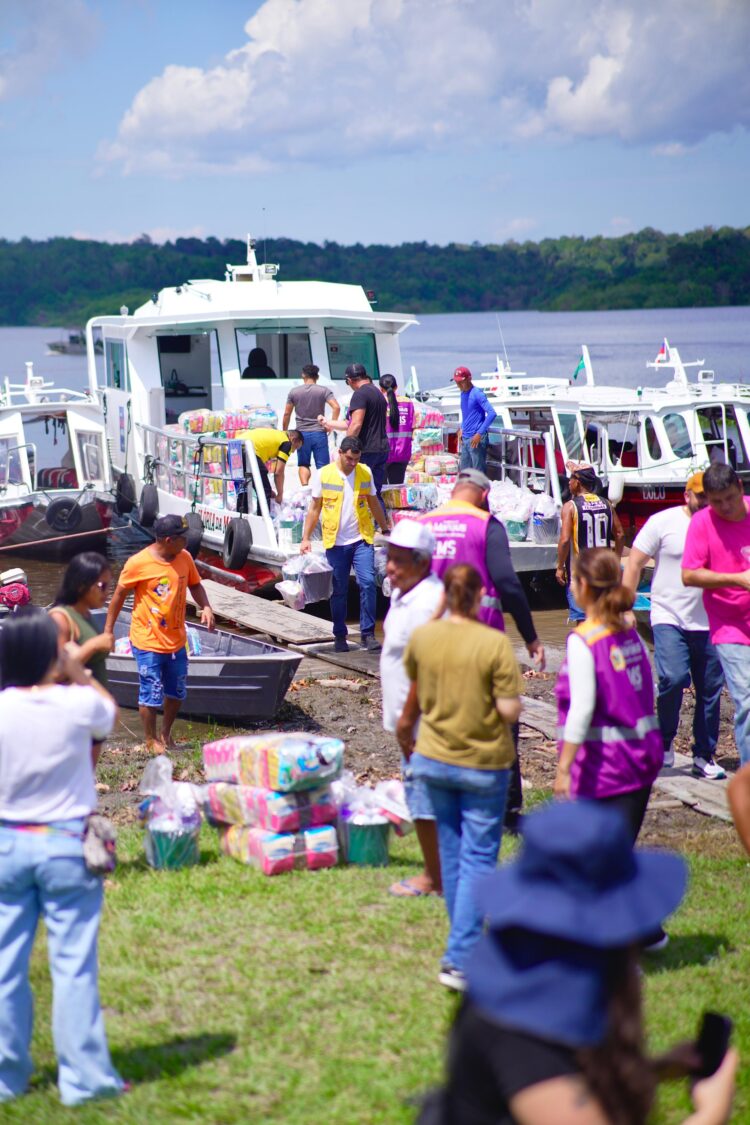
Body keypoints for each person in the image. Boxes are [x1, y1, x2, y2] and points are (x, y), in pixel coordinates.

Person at [422, 799, 738, 1125]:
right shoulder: (524, 1036)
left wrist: (652, 1070)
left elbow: (556, 1086)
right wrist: (712, 1113)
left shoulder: (523, 972)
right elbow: (544, 1076)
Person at [0, 609, 125, 1105]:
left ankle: (7, 1078)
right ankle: (85, 1080)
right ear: (49, 654)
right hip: (66, 844)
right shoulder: (75, 705)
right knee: (72, 964)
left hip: (8, 843)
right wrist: (75, 668)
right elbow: (110, 714)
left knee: (7, 965)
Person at [397, 564, 523, 991]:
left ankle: (462, 947)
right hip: (484, 763)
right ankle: (461, 957)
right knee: (478, 861)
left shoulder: (423, 638)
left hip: (433, 759)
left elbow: (415, 686)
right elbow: (509, 711)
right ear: (479, 597)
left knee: (452, 859)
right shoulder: (493, 642)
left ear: (445, 595)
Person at [420, 467, 545, 831]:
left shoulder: (424, 523)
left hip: (434, 638)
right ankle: (506, 808)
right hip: (481, 640)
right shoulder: (486, 525)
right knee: (500, 723)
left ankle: (447, 803)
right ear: (485, 494)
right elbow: (506, 581)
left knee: (443, 720)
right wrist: (530, 636)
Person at [555, 548, 665, 952]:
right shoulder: (628, 630)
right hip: (642, 757)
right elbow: (646, 688)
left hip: (607, 766)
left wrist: (564, 767)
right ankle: (647, 929)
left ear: (583, 586)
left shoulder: (585, 639)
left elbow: (581, 708)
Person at [622, 471, 726, 779]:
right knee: (672, 677)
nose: (706, 502)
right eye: (701, 496)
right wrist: (625, 607)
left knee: (711, 689)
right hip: (668, 616)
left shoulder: (723, 523)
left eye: (710, 497)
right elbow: (635, 562)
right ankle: (665, 741)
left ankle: (704, 755)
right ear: (687, 495)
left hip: (710, 621)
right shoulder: (662, 522)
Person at [103, 514, 215, 751]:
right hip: (147, 640)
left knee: (177, 691)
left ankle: (165, 734)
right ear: (167, 540)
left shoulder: (184, 557)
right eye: (183, 538)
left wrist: (205, 606)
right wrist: (108, 631)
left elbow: (195, 585)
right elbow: (118, 597)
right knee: (151, 691)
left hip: (176, 640)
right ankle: (150, 739)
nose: (187, 543)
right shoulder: (137, 563)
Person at [378, 519, 444, 897]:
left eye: (399, 560)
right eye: (389, 557)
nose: (390, 566)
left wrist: (407, 719)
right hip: (408, 720)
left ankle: (434, 879)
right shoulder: (405, 593)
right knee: (422, 796)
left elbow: (430, 665)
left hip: (422, 722)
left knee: (424, 801)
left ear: (422, 562)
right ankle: (439, 871)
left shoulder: (429, 603)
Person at [682, 462, 750, 767]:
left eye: (730, 498)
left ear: (740, 487)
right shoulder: (702, 523)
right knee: (747, 700)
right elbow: (689, 575)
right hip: (729, 624)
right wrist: (736, 579)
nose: (724, 507)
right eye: (716, 501)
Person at [300, 436, 389, 653]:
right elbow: (314, 508)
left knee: (367, 583)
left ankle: (367, 634)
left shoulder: (364, 472)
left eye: (356, 459)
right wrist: (305, 538)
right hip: (335, 542)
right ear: (340, 452)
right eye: (349, 458)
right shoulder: (324, 474)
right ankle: (340, 635)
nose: (352, 463)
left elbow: (373, 501)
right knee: (338, 589)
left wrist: (385, 528)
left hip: (362, 539)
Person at [556, 465, 625, 623]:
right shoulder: (607, 503)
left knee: (583, 621)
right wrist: (616, 559)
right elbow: (620, 534)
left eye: (571, 479)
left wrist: (560, 566)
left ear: (578, 483)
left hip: (581, 572)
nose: (568, 483)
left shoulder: (570, 507)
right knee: (603, 618)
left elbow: (565, 540)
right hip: (603, 570)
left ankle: (584, 647)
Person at [321, 364, 389, 513]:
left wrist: (346, 448)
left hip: (366, 450)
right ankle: (381, 527)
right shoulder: (378, 393)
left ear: (349, 380)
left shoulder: (360, 394)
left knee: (357, 492)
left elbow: (356, 424)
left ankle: (360, 528)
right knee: (375, 492)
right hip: (382, 448)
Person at [49, 552, 114, 688]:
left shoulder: (86, 614)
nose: (107, 592)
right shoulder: (60, 618)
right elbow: (55, 673)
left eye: (109, 585)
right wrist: (93, 645)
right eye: (102, 586)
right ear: (81, 585)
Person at [281, 365, 340, 486]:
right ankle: (324, 492)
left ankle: (305, 488)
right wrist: (331, 424)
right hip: (319, 433)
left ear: (303, 375)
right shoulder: (324, 390)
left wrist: (285, 432)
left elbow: (287, 413)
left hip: (301, 434)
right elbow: (336, 407)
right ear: (317, 376)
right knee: (323, 466)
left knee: (303, 463)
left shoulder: (294, 392)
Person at [238, 427, 303, 508]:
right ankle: (262, 519)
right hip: (248, 451)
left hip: (233, 448)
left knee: (244, 488)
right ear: (293, 439)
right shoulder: (286, 442)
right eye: (295, 448)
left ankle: (241, 516)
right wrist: (280, 494)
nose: (293, 452)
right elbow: (279, 472)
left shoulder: (277, 434)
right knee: (264, 491)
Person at [452, 366, 497, 473]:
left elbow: (492, 413)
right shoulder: (462, 394)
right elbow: (466, 414)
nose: (458, 384)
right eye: (456, 382)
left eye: (460, 382)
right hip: (465, 438)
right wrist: (462, 428)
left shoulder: (477, 393)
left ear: (469, 379)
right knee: (464, 472)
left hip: (476, 439)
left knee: (478, 472)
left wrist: (479, 433)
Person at [379, 374, 415, 485]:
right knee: (397, 491)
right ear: (396, 387)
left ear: (381, 389)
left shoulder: (379, 402)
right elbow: (412, 425)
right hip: (403, 452)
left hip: (383, 452)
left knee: (381, 491)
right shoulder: (408, 402)